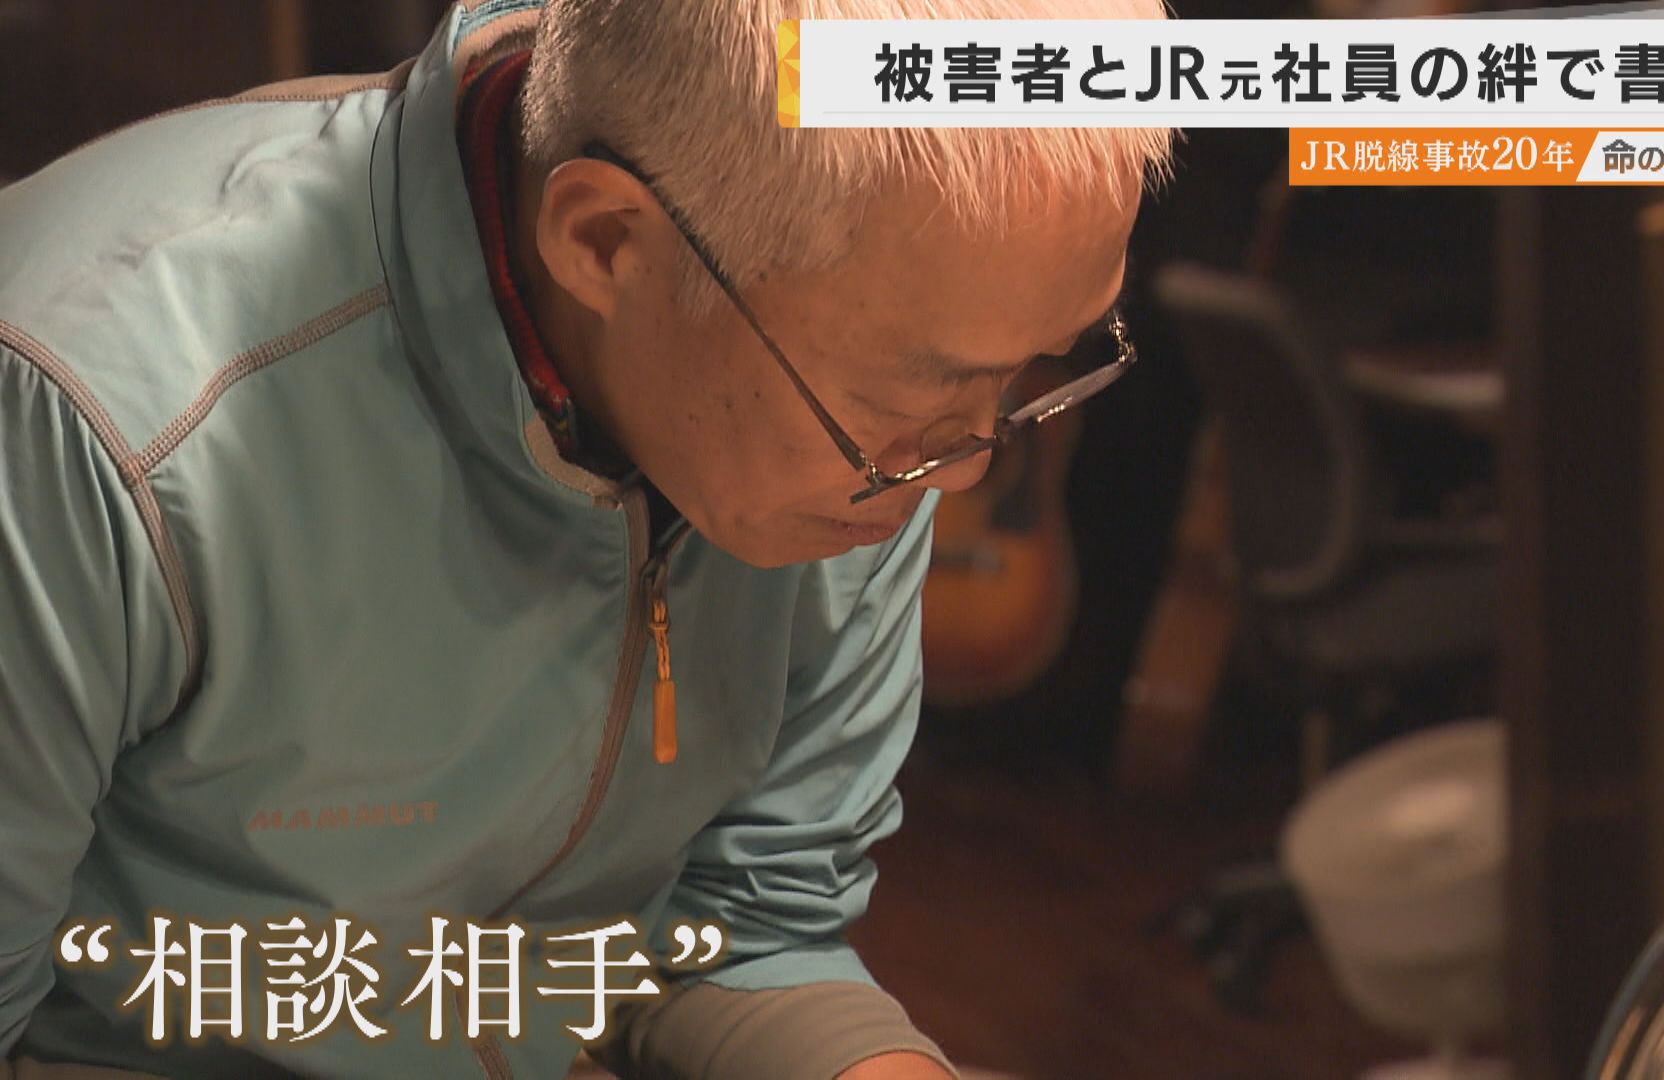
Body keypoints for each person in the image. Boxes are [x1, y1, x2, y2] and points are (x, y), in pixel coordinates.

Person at [0, 1, 1172, 1077]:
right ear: (606, 241)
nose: (964, 467)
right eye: (912, 394)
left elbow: (741, 929)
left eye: (1034, 364)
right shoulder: (96, 424)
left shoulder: (862, 422)